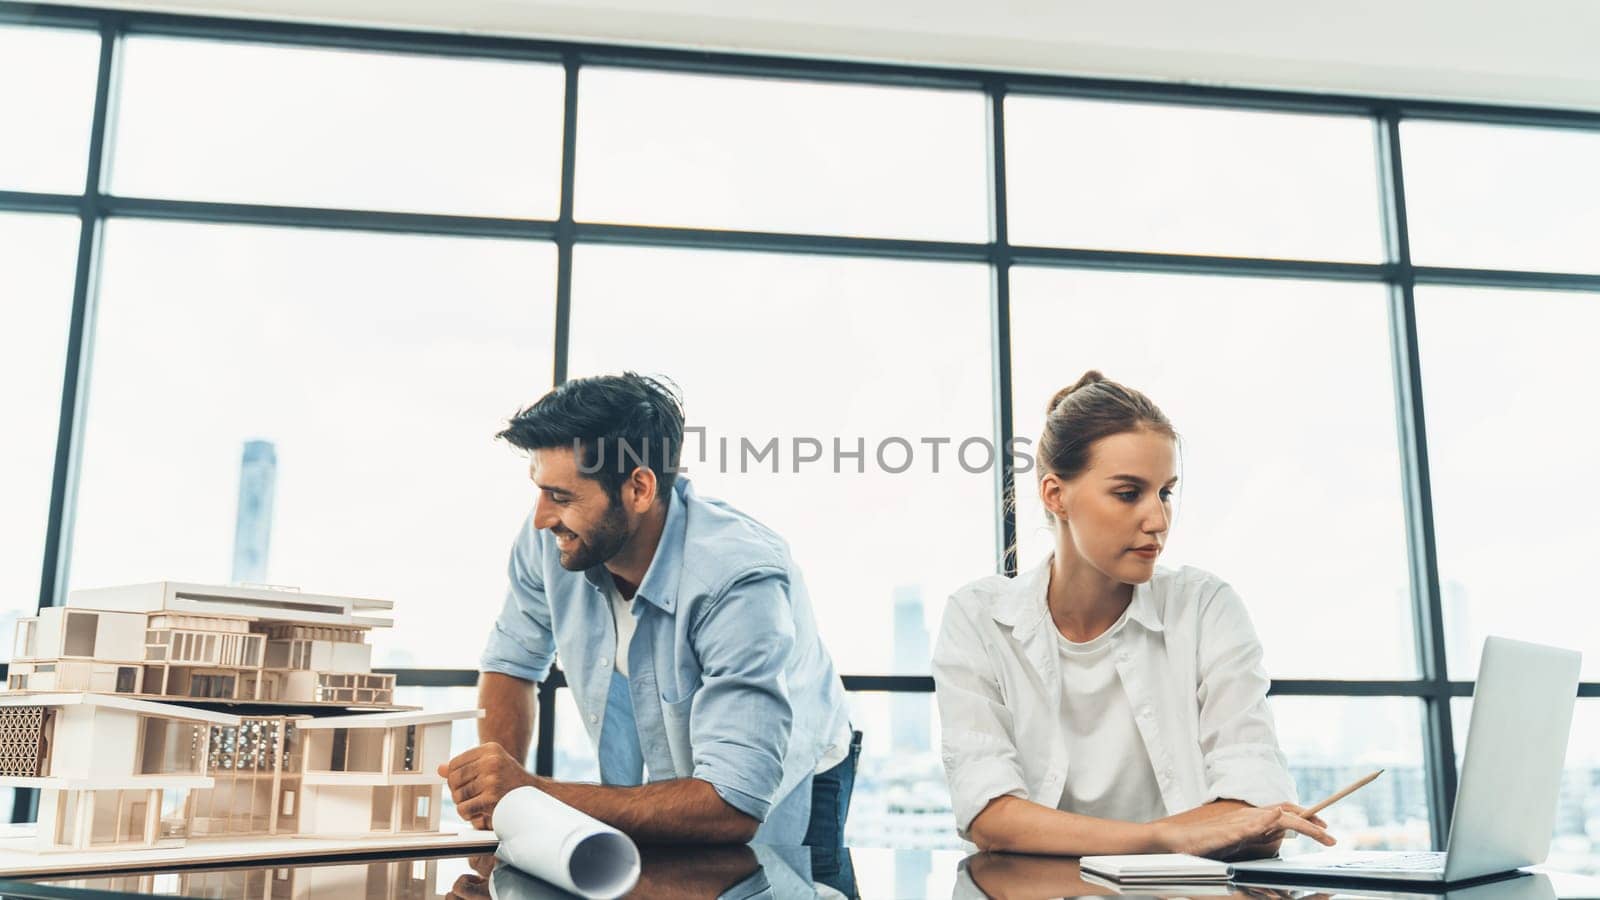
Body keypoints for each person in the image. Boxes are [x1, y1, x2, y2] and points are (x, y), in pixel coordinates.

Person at [442, 372, 859, 846]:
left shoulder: (738, 579)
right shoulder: (553, 538)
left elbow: (733, 804)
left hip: (789, 784)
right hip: (687, 783)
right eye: (540, 490)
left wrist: (531, 794)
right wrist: (496, 803)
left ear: (638, 489)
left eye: (561, 496)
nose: (541, 517)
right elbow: (510, 664)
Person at [933, 370, 1336, 859]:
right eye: (1129, 494)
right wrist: (1161, 837)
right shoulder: (977, 618)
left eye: (1165, 492)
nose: (1159, 520)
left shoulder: (1206, 606)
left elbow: (1254, 800)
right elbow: (990, 816)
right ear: (1055, 495)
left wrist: (1228, 823)